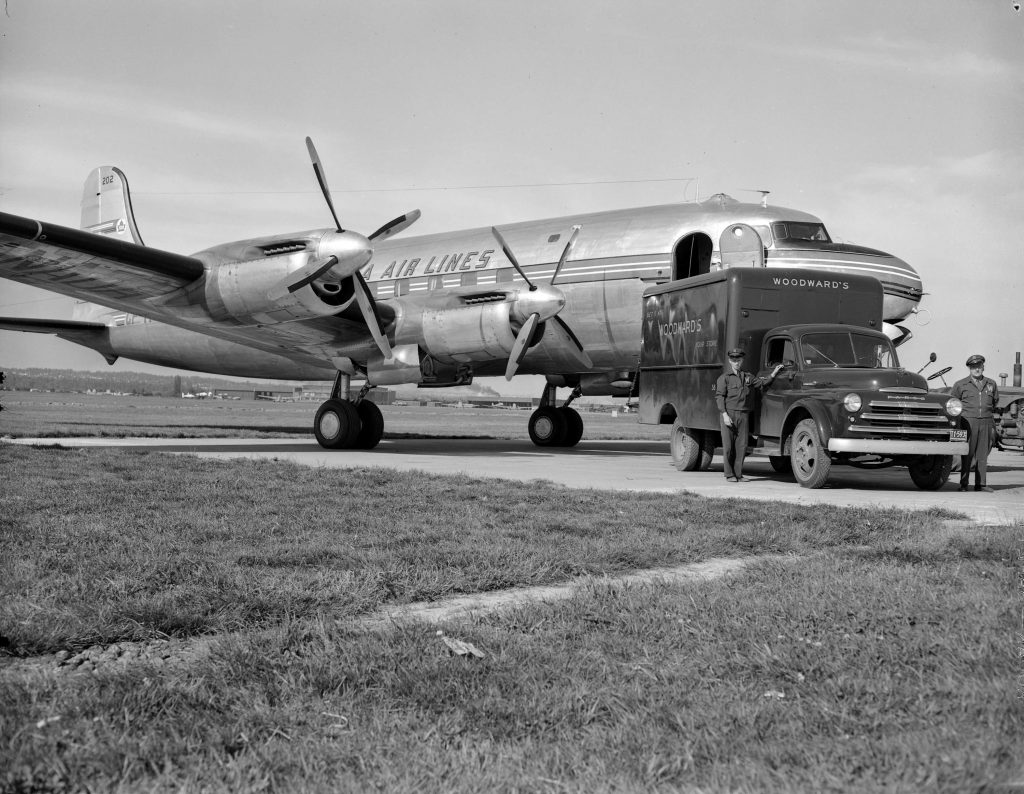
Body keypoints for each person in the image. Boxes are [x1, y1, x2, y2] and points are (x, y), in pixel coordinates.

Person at [715, 348, 785, 482]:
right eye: (734, 360)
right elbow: (719, 397)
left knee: (741, 446)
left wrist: (774, 373)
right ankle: (729, 475)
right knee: (729, 447)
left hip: (743, 415)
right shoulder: (724, 378)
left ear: (742, 360)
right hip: (729, 414)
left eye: (739, 360)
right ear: (730, 361)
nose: (736, 362)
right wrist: (724, 415)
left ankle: (739, 474)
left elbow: (762, 383)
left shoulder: (747, 377)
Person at [951, 354, 998, 492]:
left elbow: (994, 402)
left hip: (986, 421)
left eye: (978, 366)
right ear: (969, 369)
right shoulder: (960, 384)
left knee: (982, 454)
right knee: (967, 453)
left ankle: (981, 484)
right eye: (973, 367)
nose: (976, 369)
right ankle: (964, 484)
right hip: (968, 422)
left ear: (983, 367)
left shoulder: (991, 384)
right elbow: (954, 404)